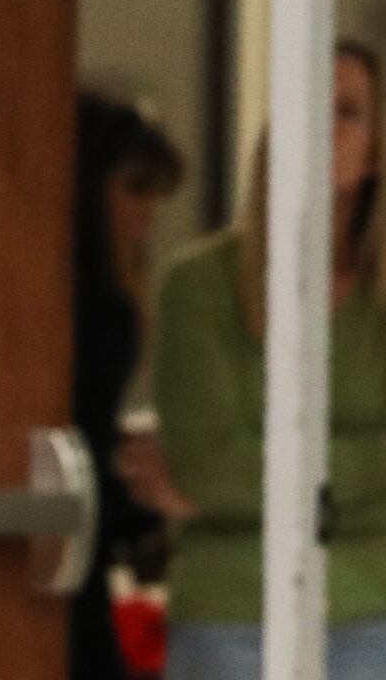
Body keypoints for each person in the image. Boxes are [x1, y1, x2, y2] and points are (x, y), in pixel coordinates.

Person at [126, 41, 386, 680]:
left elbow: (212, 484)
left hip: (370, 610)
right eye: (312, 106)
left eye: (349, 111)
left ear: (377, 144)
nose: (329, 128)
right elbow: (208, 464)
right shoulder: (199, 286)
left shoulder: (380, 294)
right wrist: (359, 474)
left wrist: (266, 479)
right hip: (233, 611)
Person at [69, 93, 184, 680]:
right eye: (133, 189)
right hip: (73, 519)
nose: (147, 216)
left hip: (83, 526)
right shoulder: (90, 306)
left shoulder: (107, 296)